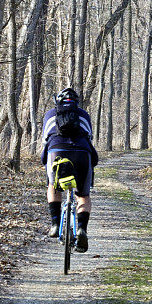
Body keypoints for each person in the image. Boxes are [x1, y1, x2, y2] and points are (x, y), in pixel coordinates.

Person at [41, 87, 98, 253]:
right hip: (82, 153)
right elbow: (90, 137)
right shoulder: (84, 115)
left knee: (53, 185)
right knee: (83, 195)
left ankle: (55, 223)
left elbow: (45, 140)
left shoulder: (50, 115)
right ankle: (81, 229)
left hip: (56, 151)